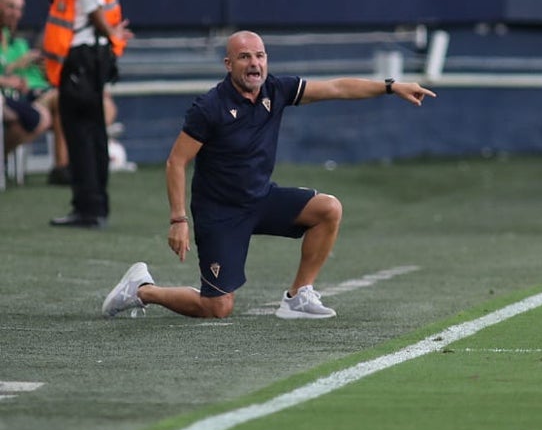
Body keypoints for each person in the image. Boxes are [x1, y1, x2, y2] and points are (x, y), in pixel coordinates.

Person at [100, 30, 436, 320]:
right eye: (244, 57)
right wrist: (178, 219)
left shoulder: (276, 91)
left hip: (260, 198)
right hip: (220, 214)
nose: (254, 64)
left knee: (328, 209)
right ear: (228, 64)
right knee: (217, 307)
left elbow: (336, 88)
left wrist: (392, 87)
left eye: (259, 56)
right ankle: (143, 290)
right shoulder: (209, 107)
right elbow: (176, 162)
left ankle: (298, 297)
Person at [45, 0, 130, 228]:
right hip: (93, 58)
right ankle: (96, 205)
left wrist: (110, 34)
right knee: (92, 132)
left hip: (80, 59)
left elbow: (93, 10)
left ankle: (88, 207)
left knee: (80, 134)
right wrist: (111, 37)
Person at [0, 0, 52, 157]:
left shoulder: (16, 41)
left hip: (18, 97)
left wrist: (20, 81)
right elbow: (8, 71)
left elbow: (20, 77)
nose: (16, 14)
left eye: (19, 8)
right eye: (10, 7)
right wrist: (12, 74)